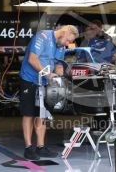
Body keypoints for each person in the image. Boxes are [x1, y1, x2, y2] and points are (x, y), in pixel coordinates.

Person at [19, 25, 79, 160]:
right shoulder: (43, 36)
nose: (67, 43)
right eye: (68, 40)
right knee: (28, 113)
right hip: (30, 79)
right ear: (64, 32)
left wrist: (60, 78)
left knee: (42, 114)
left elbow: (58, 64)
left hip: (45, 82)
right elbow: (32, 59)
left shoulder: (60, 45)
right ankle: (28, 148)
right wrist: (48, 74)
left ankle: (40, 147)